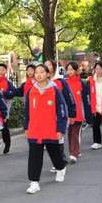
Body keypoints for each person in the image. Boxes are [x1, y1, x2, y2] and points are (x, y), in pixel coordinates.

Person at [23, 64, 69, 194]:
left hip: (50, 129)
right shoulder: (31, 91)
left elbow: (61, 111)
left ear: (48, 74)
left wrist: (60, 129)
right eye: (36, 72)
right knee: (34, 156)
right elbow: (27, 111)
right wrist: (26, 126)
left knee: (55, 153)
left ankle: (61, 167)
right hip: (34, 130)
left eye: (42, 72)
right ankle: (34, 182)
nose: (38, 74)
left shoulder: (54, 90)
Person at [65, 62, 91, 162]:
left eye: (72, 69)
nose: (70, 71)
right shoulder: (65, 83)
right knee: (70, 133)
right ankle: (76, 150)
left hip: (79, 113)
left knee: (75, 133)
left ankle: (74, 153)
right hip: (68, 113)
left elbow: (86, 99)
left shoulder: (81, 83)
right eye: (68, 69)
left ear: (76, 71)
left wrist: (87, 114)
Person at [0, 63, 16, 154]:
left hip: (4, 108)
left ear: (5, 71)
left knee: (4, 127)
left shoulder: (8, 83)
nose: (1, 72)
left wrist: (3, 93)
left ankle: (7, 144)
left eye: (3, 70)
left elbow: (13, 93)